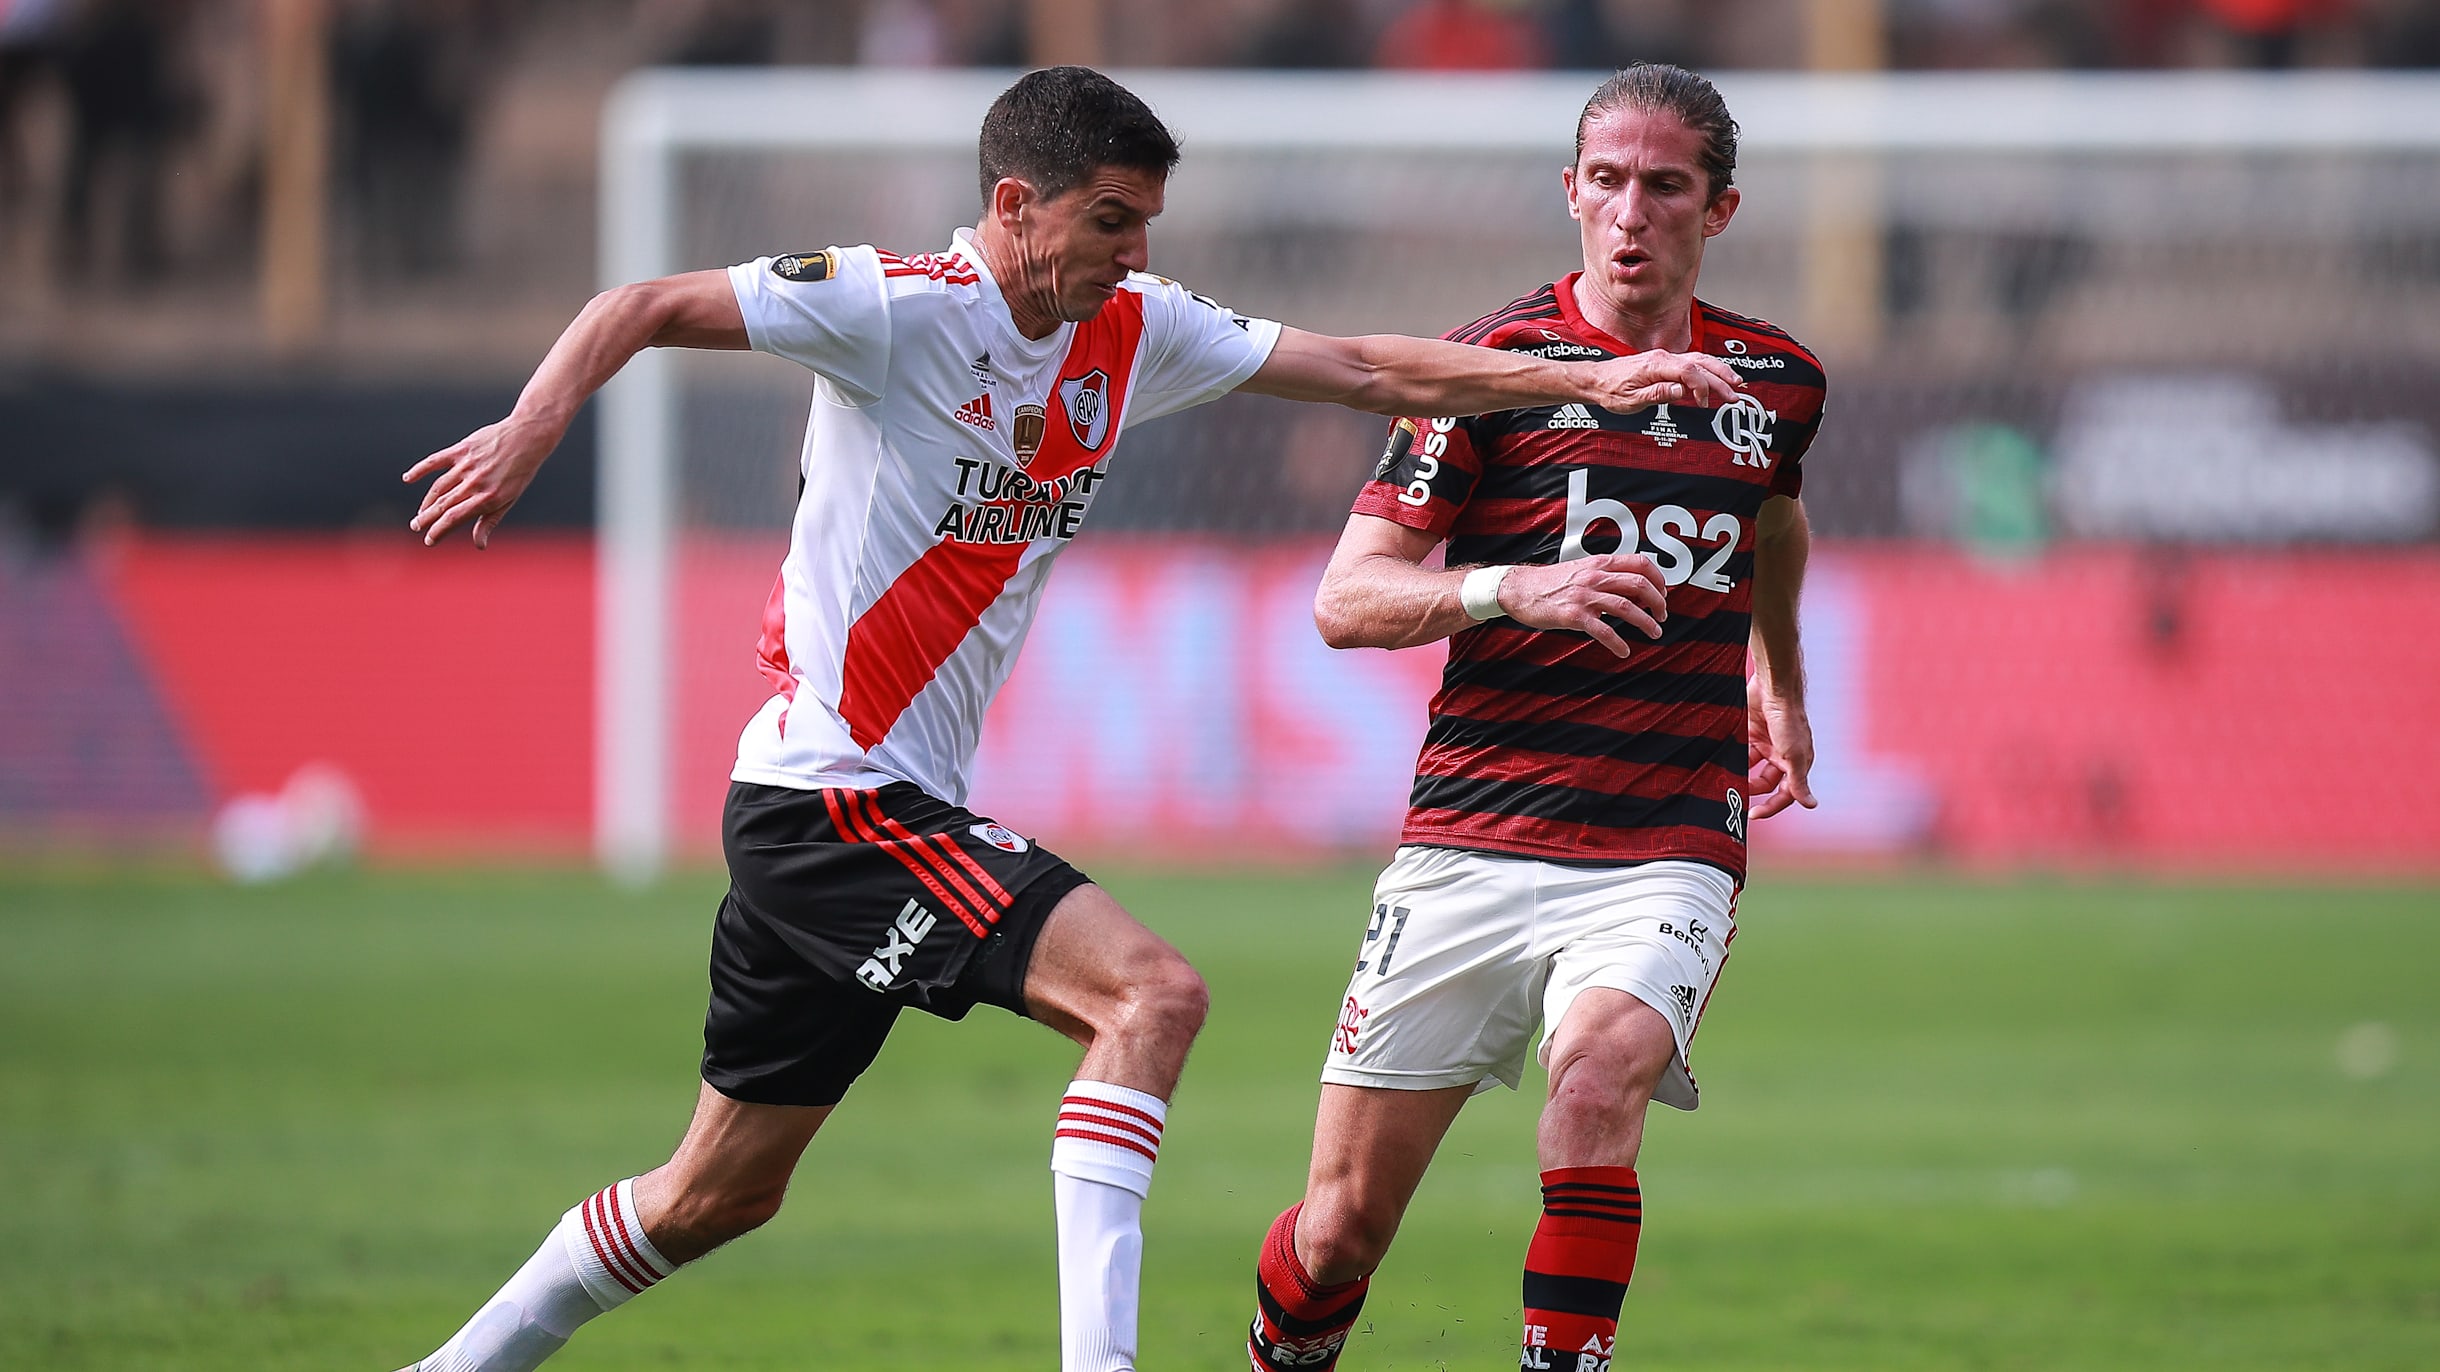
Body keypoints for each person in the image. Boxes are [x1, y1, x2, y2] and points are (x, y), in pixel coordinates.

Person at [392, 66, 1739, 1372]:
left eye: (1148, 221)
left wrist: (1583, 380)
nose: (1135, 250)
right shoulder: (890, 305)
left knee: (714, 1197)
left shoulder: (1132, 328)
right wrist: (529, 427)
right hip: (836, 796)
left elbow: (1368, 367)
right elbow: (636, 303)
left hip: (863, 810)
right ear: (1018, 202)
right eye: (1112, 219)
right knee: (1150, 998)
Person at [1244, 63, 1823, 1372]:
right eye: (1607, 183)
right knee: (1338, 1231)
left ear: (1716, 209)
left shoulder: (1777, 380)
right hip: (1474, 833)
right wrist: (1520, 588)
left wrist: (1780, 683)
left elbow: (1775, 516)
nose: (1632, 214)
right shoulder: (1490, 368)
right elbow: (1346, 601)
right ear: (1571, 193)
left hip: (1666, 835)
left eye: (1664, 187)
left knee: (1601, 1076)